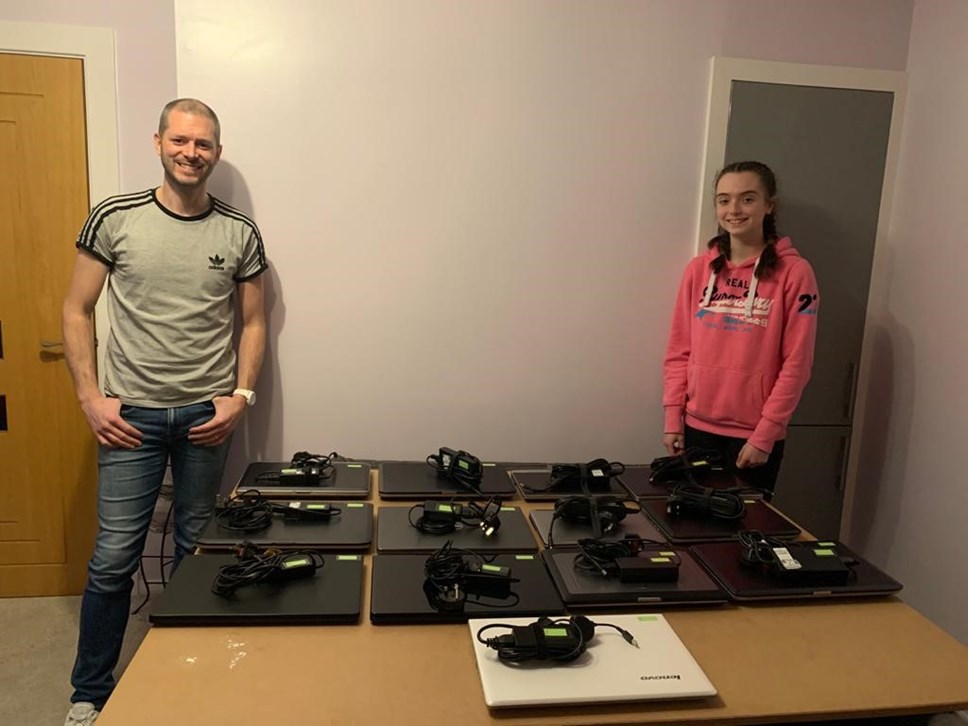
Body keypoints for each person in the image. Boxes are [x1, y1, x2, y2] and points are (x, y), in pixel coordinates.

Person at [61, 98, 267, 725]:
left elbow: (253, 322)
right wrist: (89, 398)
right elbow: (76, 309)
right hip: (131, 420)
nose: (190, 153)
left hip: (208, 416)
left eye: (203, 144)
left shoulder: (239, 232)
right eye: (180, 140)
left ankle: (182, 671)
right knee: (115, 556)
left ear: (217, 153)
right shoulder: (114, 217)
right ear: (157, 142)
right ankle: (89, 691)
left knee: (196, 546)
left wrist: (241, 398)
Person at [661, 160, 818, 496]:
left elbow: (797, 364)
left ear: (769, 206)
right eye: (723, 200)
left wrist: (766, 433)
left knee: (744, 535)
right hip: (696, 428)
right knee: (692, 531)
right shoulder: (698, 270)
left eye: (747, 199)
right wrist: (673, 415)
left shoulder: (796, 272)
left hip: (754, 436)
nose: (734, 209)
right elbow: (679, 350)